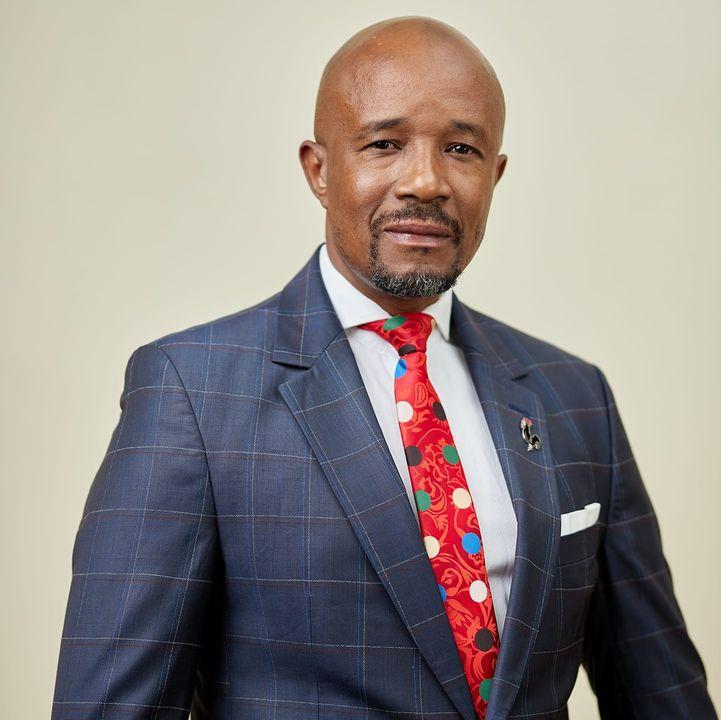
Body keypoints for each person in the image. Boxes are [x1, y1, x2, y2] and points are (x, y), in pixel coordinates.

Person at [52, 16, 716, 720]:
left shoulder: (573, 396)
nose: (425, 181)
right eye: (384, 144)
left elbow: (662, 696)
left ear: (494, 176)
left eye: (460, 149)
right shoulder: (192, 390)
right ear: (319, 169)